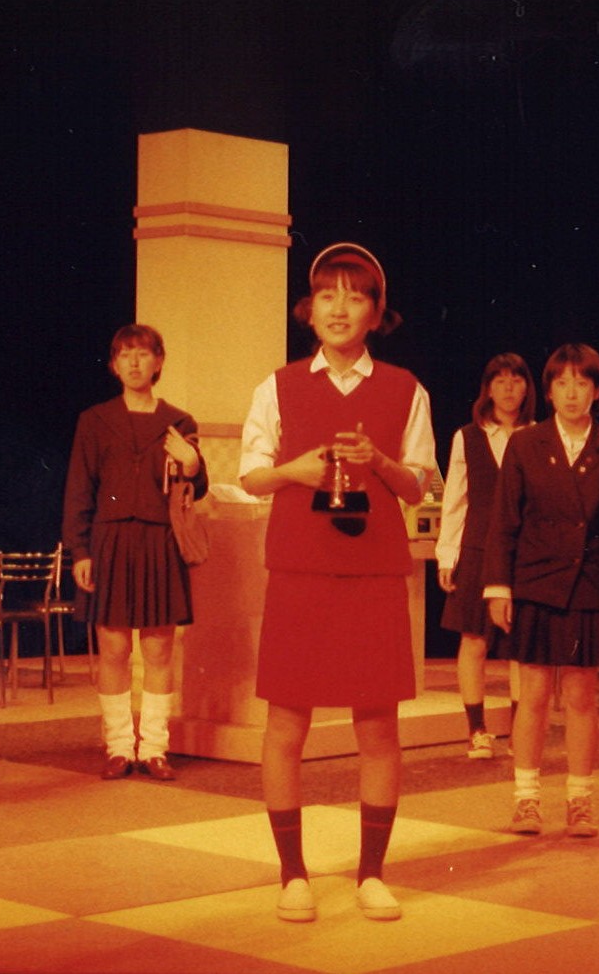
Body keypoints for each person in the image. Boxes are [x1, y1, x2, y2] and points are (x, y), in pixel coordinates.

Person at [239, 242, 435, 922]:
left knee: (378, 727)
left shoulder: (406, 388)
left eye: (356, 296)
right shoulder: (278, 385)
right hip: (299, 572)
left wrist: (378, 460)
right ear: (310, 308)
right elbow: (250, 474)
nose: (340, 308)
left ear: (377, 312)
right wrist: (294, 471)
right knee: (286, 723)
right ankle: (292, 874)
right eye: (328, 294)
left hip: (374, 573)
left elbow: (419, 485)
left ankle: (371, 874)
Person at [483, 343, 599, 838]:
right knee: (534, 695)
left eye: (581, 383)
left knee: (583, 697)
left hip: (591, 585)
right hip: (535, 583)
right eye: (561, 383)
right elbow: (503, 522)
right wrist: (498, 587)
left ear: (597, 391)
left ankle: (579, 801)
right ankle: (526, 800)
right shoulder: (525, 444)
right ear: (548, 391)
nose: (571, 393)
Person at [62, 324, 206, 782]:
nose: (134, 362)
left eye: (142, 354)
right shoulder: (95, 419)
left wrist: (193, 463)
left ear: (158, 362)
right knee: (114, 647)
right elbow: (79, 489)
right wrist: (80, 550)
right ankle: (120, 747)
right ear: (114, 364)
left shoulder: (179, 422)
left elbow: (195, 488)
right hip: (110, 542)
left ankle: (155, 748)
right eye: (124, 354)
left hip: (160, 541)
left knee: (160, 648)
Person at [436, 353, 535, 760]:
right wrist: (447, 555)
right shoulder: (468, 436)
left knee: (520, 646)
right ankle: (477, 730)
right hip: (477, 547)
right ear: (488, 388)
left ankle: (520, 730)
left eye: (516, 380)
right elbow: (455, 499)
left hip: (525, 551)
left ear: (527, 388)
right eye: (500, 380)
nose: (509, 388)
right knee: (473, 639)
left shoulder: (538, 435)